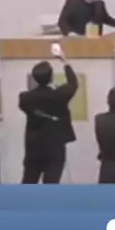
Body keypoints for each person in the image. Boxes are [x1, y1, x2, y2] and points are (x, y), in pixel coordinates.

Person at [19, 48, 78, 184]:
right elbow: (73, 83)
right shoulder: (59, 96)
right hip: (54, 147)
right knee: (51, 183)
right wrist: (65, 61)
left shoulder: (25, 99)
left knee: (29, 181)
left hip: (33, 148)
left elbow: (26, 101)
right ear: (51, 77)